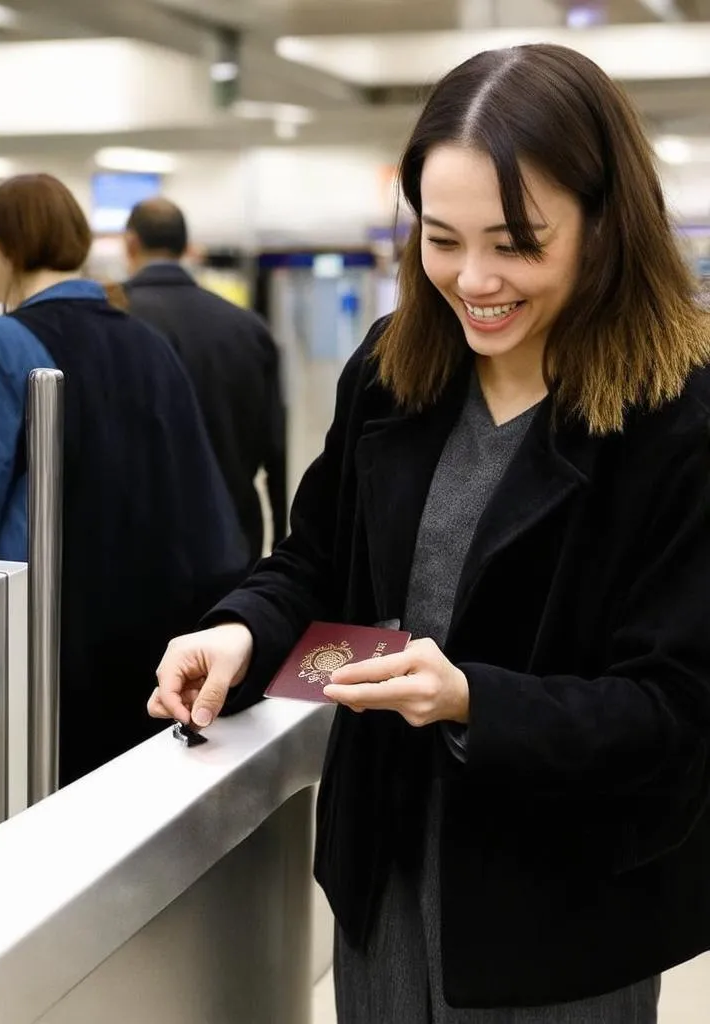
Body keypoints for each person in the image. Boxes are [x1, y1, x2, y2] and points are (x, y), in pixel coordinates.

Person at [149, 43, 710, 1023]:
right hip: (384, 878)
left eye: (515, 241)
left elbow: (676, 708)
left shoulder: (678, 416)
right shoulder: (393, 369)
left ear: (603, 223)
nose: (473, 279)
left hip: (562, 914)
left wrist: (471, 701)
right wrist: (240, 627)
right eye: (441, 240)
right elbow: (316, 556)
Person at [0, 173, 248, 785]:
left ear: (11, 247)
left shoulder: (0, 337)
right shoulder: (144, 339)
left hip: (52, 630)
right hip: (146, 629)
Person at [123, 198, 288, 566]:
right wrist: (281, 544)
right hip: (234, 542)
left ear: (130, 243)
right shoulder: (248, 328)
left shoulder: (112, 322)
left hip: (140, 549)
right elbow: (276, 447)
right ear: (185, 247)